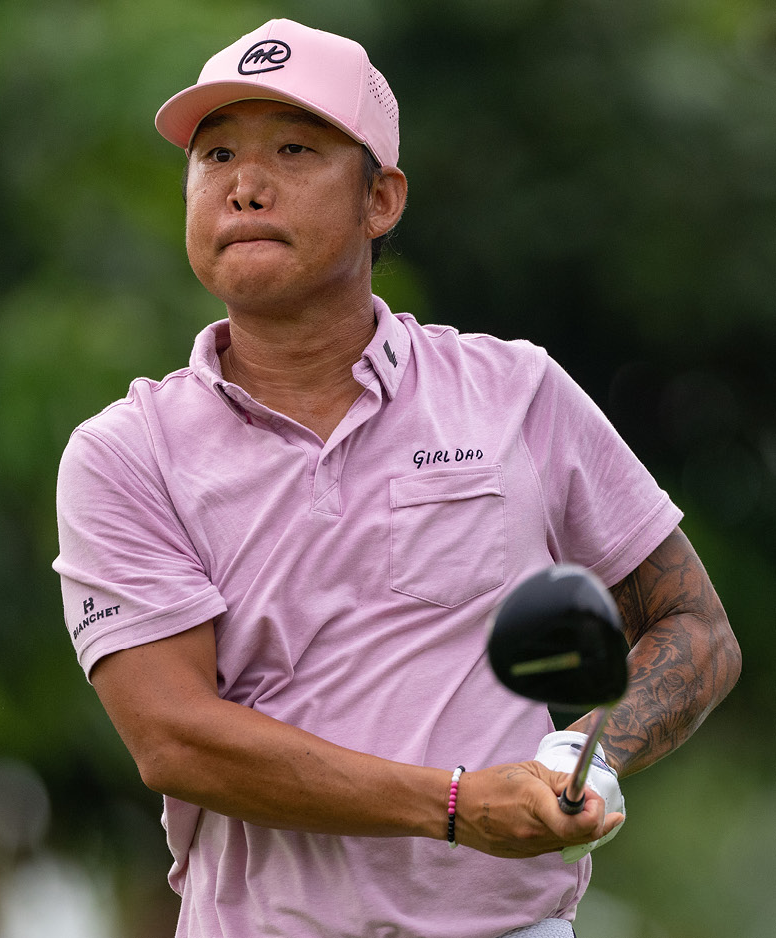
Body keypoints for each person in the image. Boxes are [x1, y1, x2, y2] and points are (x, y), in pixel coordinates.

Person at [52, 18, 740, 938]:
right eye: (215, 156)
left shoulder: (515, 392)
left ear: (381, 198)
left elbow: (694, 629)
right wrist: (453, 804)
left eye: (293, 150)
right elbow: (177, 739)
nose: (245, 186)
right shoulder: (124, 451)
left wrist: (586, 757)